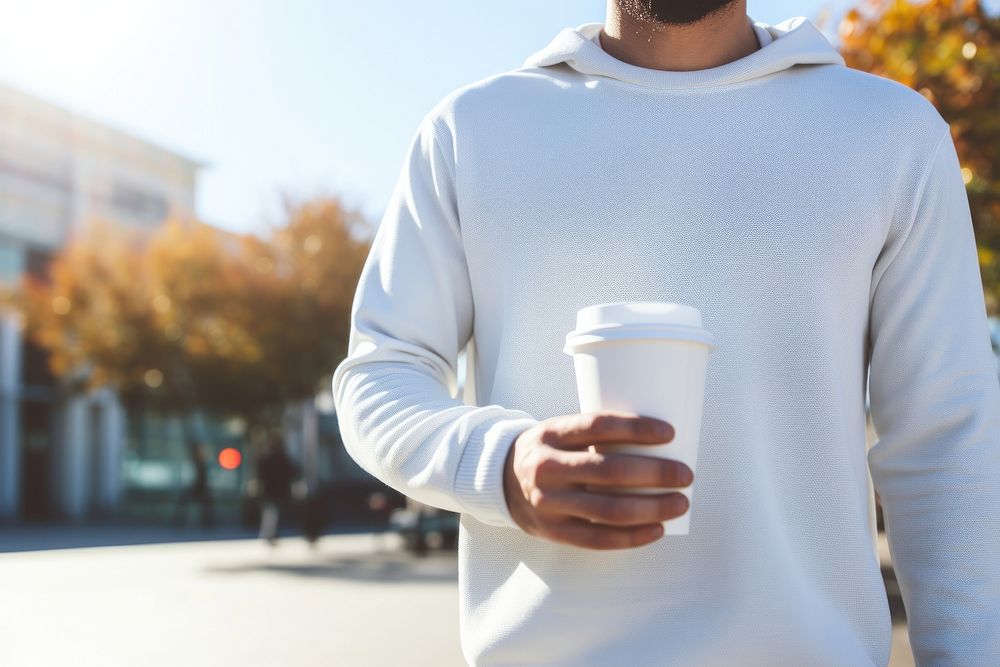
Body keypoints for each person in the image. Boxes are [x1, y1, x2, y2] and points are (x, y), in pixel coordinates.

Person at [332, 2, 1000, 665]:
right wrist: (502, 464)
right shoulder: (469, 131)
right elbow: (378, 374)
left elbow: (947, 437)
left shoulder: (891, 134)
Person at [256, 431, 297, 546]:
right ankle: (270, 534)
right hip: (277, 490)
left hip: (270, 490)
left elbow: (261, 474)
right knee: (273, 512)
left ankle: (269, 533)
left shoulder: (267, 458)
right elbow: (291, 472)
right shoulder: (281, 458)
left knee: (270, 512)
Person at [172, 441, 214, 529]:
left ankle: (209, 523)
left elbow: (203, 477)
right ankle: (179, 522)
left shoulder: (202, 462)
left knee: (206, 507)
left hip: (201, 487)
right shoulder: (198, 461)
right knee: (203, 506)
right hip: (198, 487)